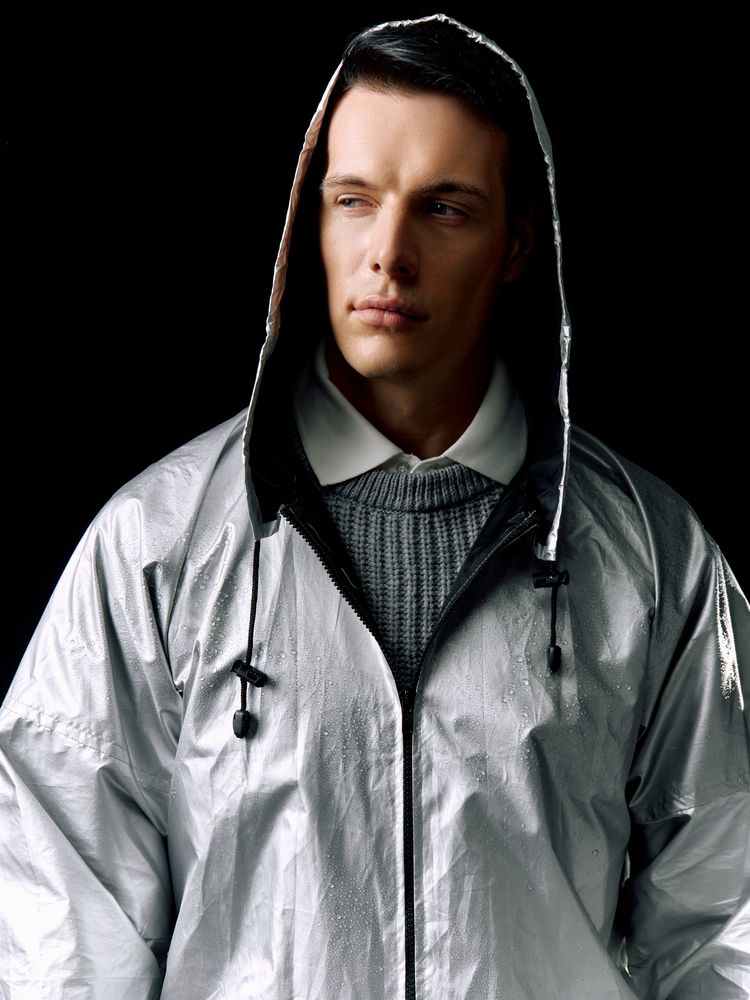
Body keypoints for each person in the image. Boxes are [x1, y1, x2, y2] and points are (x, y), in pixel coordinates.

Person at [1, 12, 748, 999]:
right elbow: (61, 923)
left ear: (517, 243)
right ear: (309, 224)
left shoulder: (652, 561)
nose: (388, 253)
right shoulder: (158, 545)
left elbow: (725, 921)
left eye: (445, 208)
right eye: (354, 201)